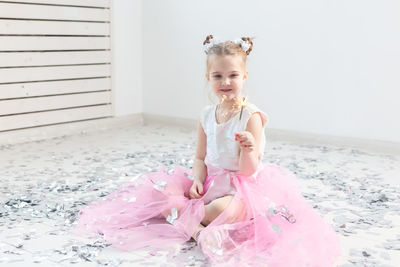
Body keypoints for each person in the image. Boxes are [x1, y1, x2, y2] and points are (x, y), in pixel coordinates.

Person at [75, 35, 341, 266]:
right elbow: (200, 157)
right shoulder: (206, 115)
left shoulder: (251, 116)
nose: (226, 81)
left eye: (233, 75)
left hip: (240, 188)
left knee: (219, 211)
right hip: (211, 181)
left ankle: (193, 223)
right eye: (218, 76)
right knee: (163, 194)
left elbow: (250, 170)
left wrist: (248, 148)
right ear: (208, 77)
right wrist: (199, 180)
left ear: (244, 76)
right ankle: (200, 233)